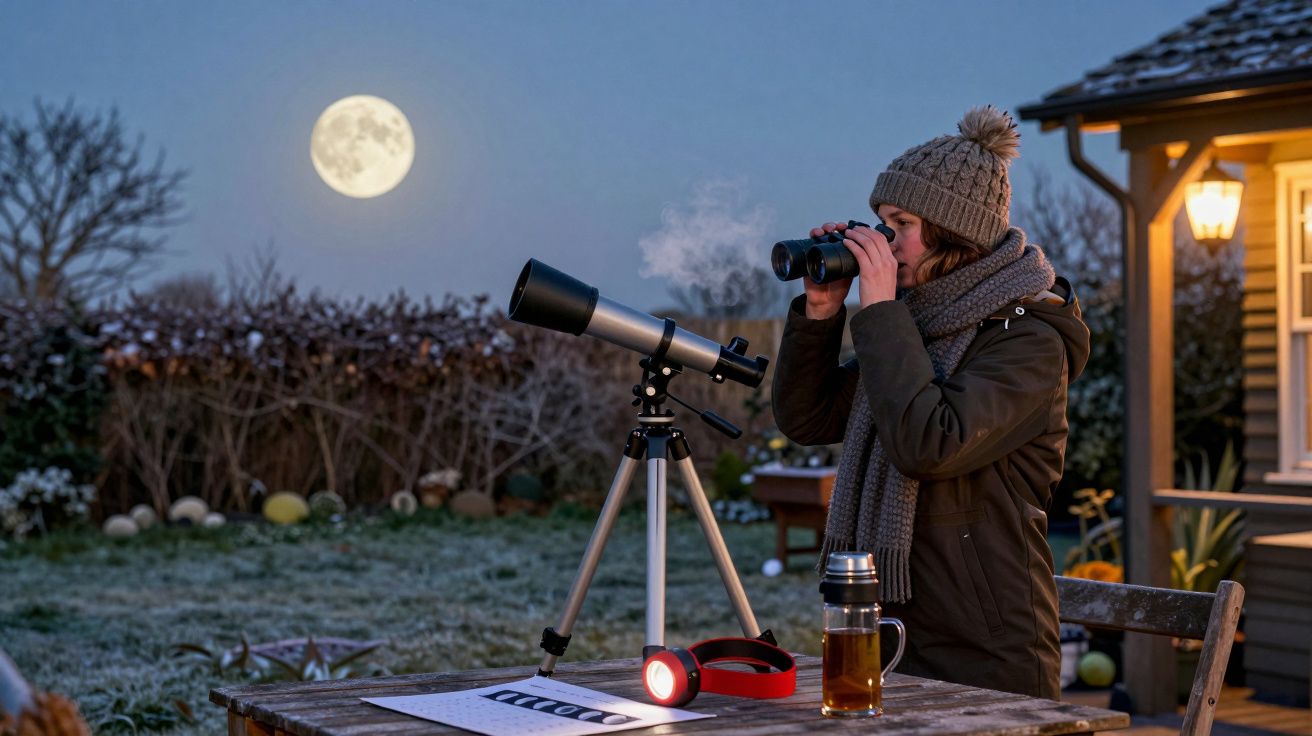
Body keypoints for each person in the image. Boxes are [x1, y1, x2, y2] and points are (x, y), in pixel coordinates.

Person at [772, 106, 1090, 699]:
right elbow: (809, 418)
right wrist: (822, 312)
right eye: (878, 221)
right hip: (887, 627)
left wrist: (882, 311)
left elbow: (930, 444)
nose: (883, 241)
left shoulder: (1030, 342)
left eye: (900, 223)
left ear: (955, 230)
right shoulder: (921, 327)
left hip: (985, 651)